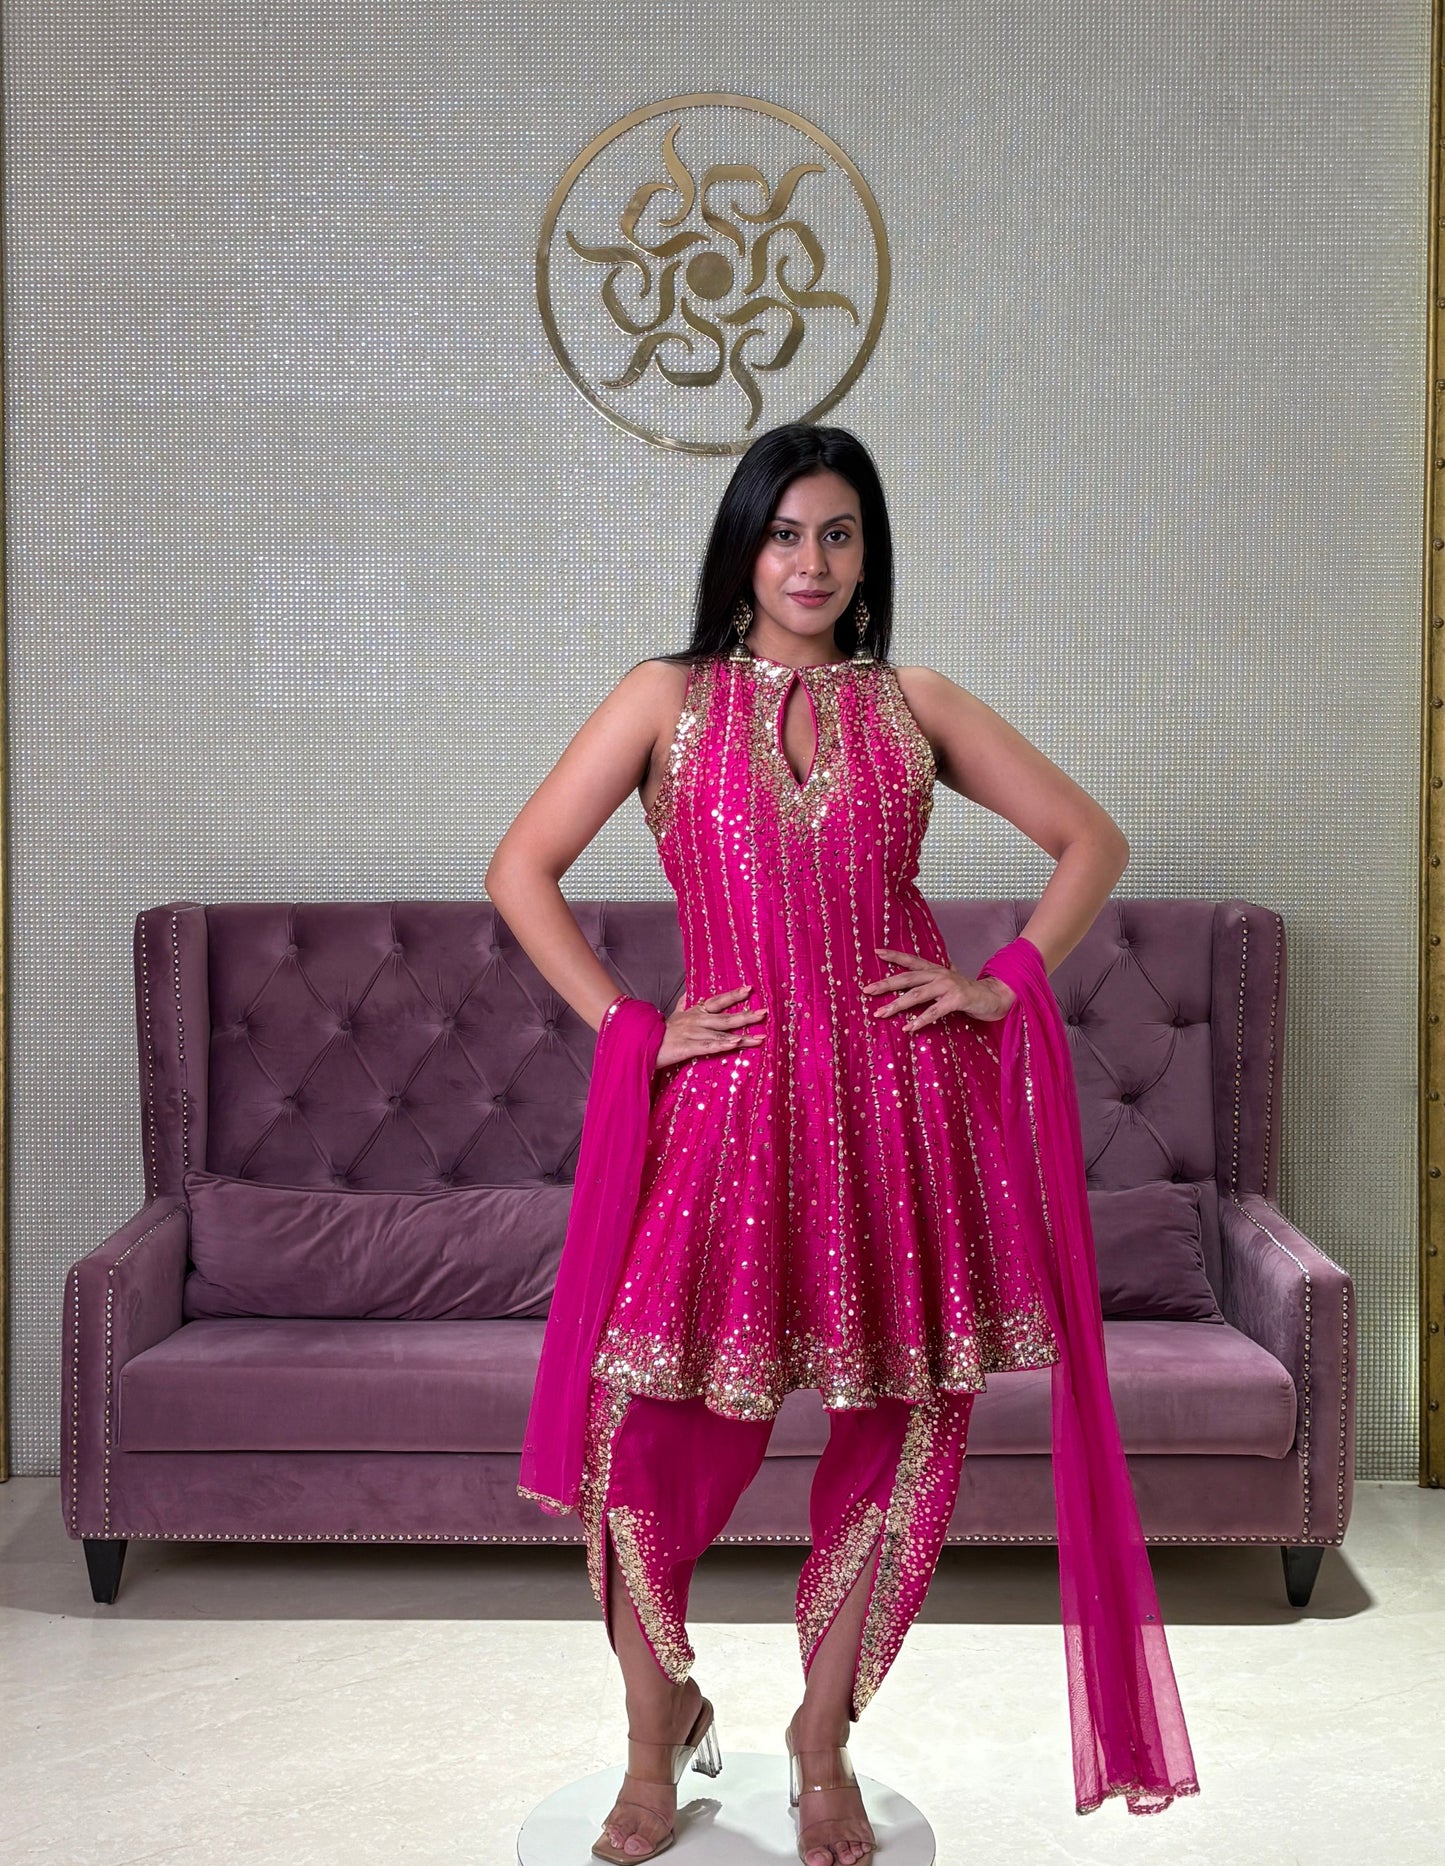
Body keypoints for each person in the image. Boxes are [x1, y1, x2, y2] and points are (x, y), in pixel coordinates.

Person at [484, 422, 1198, 1865]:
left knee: (900, 1430)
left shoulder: (912, 702)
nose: (809, 562)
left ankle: (821, 1746)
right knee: (638, 1444)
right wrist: (632, 1020)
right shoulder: (662, 699)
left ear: (868, 555)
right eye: (784, 532)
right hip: (725, 1122)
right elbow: (519, 869)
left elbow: (1089, 840)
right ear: (740, 546)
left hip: (897, 1120)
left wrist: (997, 983)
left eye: (839, 534)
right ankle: (651, 1729)